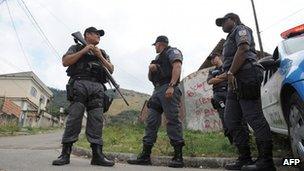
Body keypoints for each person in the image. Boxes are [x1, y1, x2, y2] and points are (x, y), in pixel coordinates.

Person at [215, 13, 276, 171]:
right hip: (234, 81)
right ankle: (244, 158)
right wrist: (229, 74)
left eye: (224, 22)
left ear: (233, 19)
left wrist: (230, 72)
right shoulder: (229, 37)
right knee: (231, 119)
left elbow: (243, 49)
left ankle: (266, 162)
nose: (222, 25)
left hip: (246, 75)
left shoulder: (241, 29)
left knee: (253, 117)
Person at [52, 27, 115, 167]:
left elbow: (111, 69)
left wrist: (99, 56)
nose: (99, 36)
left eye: (100, 35)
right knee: (74, 118)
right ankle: (65, 154)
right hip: (79, 83)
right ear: (87, 35)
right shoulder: (76, 47)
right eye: (96, 34)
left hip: (97, 87)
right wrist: (84, 51)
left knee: (97, 120)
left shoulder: (103, 52)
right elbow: (65, 62)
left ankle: (97, 155)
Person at [127, 36, 185, 168]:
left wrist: (172, 85)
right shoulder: (157, 58)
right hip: (157, 90)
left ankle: (178, 156)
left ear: (160, 44)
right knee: (151, 120)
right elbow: (150, 78)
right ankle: (145, 156)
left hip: (168, 87)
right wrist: (151, 68)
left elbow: (177, 66)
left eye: (156, 45)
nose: (155, 48)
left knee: (172, 120)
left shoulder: (172, 51)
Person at [206, 53, 233, 144]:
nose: (212, 60)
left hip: (228, 92)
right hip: (218, 95)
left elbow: (229, 74)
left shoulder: (227, 66)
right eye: (211, 59)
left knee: (234, 116)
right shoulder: (211, 71)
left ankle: (243, 142)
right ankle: (232, 142)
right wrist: (223, 77)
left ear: (219, 57)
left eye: (214, 58)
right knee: (224, 118)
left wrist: (217, 78)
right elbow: (210, 81)